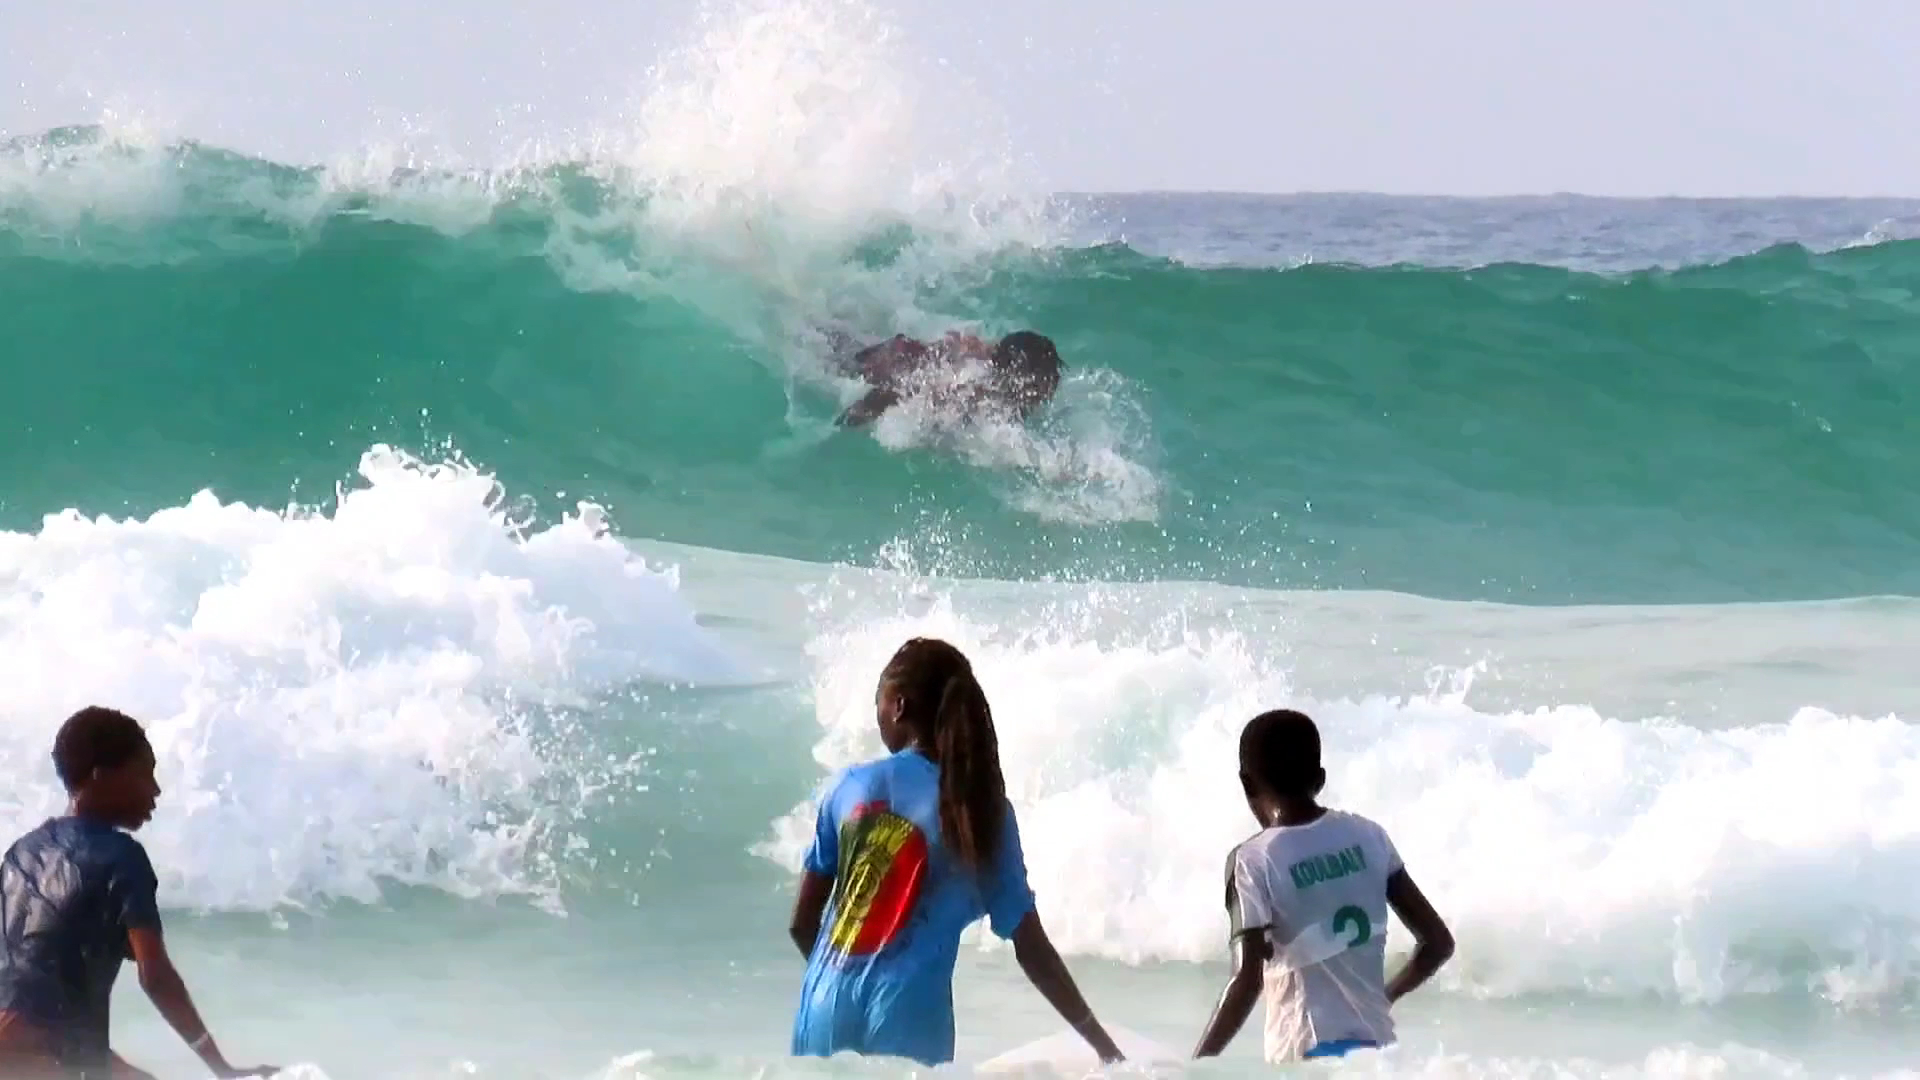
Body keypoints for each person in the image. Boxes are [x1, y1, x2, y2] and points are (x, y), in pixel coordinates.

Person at [787, 638, 1122, 1067]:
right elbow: (1031, 949)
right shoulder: (978, 811)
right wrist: (1104, 1046)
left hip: (822, 1012)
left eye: (879, 705)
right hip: (910, 1020)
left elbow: (802, 925)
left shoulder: (849, 787)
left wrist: (841, 982)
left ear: (899, 707)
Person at [0, 706, 276, 1079]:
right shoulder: (122, 856)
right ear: (101, 776)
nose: (155, 790)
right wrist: (221, 1069)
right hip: (45, 1058)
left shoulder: (20, 853)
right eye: (144, 773)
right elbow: (155, 977)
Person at [1192, 709, 1453, 1064]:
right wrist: (1385, 997)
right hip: (1378, 1055)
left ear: (1247, 784)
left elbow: (1247, 979)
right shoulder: (1369, 837)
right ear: (1320, 778)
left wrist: (1196, 1066)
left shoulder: (1252, 861)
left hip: (1306, 1053)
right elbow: (1438, 943)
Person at [829, 329, 1064, 428]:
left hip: (906, 352)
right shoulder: (972, 386)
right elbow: (898, 391)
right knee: (835, 354)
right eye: (1043, 380)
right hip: (883, 362)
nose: (1049, 388)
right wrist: (854, 417)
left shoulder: (998, 367)